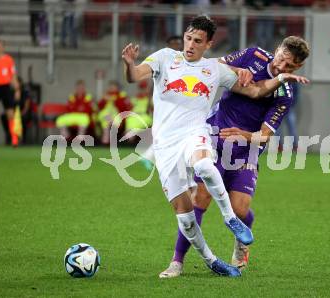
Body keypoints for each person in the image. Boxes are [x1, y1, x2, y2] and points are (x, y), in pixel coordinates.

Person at [122, 15, 308, 277]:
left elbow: (264, 133)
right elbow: (215, 66)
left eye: (288, 65)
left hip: (246, 149)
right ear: (276, 50)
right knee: (199, 197)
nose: (280, 65)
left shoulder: (284, 94)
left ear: (297, 67)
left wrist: (245, 135)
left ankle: (239, 235)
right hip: (215, 135)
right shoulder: (252, 54)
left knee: (241, 208)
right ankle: (178, 260)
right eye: (280, 58)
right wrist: (235, 71)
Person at [97, 81, 131, 145]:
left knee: (113, 123)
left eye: (113, 87)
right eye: (111, 87)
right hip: (105, 115)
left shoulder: (121, 95)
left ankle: (111, 143)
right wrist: (104, 100)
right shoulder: (106, 95)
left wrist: (115, 100)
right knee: (106, 126)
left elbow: (123, 107)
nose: (112, 88)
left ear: (117, 88)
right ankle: (105, 144)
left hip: (117, 116)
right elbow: (99, 106)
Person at [1, 76, 32, 145]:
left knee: (23, 118)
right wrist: (15, 100)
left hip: (23, 112)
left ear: (20, 83)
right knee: (3, 117)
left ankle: (22, 139)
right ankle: (9, 136)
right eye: (13, 83)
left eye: (16, 82)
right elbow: (8, 106)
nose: (14, 84)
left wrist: (21, 113)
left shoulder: (25, 92)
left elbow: (27, 106)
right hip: (13, 113)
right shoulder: (10, 92)